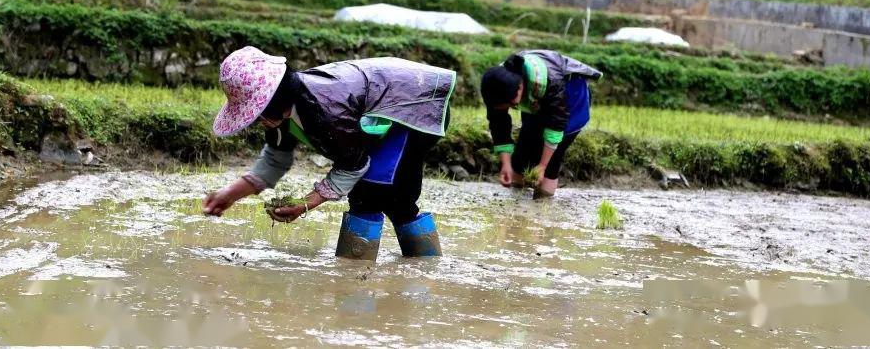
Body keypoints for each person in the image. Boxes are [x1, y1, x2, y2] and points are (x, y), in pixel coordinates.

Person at [202, 46, 456, 260]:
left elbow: (353, 164)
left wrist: (305, 203)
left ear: (274, 99)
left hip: (416, 106)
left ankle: (354, 286)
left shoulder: (323, 109)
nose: (257, 120)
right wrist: (230, 195)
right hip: (381, 113)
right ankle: (423, 270)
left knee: (369, 195)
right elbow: (275, 158)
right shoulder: (281, 114)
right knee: (395, 200)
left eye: (257, 113)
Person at [480, 50, 601, 199]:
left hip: (571, 97)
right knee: (525, 144)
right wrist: (506, 164)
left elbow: (556, 127)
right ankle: (517, 198)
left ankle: (543, 202)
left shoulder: (551, 83)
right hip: (535, 96)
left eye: (511, 105)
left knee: (554, 155)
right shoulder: (497, 85)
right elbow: (499, 124)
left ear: (520, 88)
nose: (510, 108)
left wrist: (542, 166)